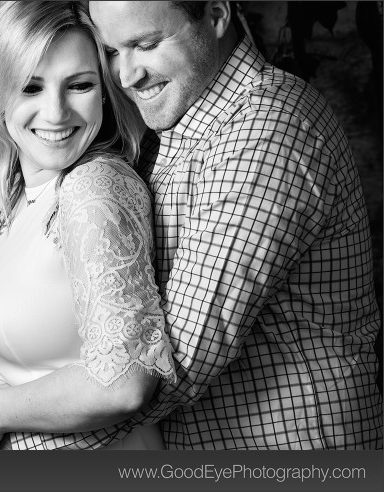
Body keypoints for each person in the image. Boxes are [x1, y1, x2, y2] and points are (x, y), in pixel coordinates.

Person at [47, 0, 382, 449]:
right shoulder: (170, 131)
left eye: (145, 44)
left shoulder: (268, 127)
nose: (127, 75)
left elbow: (170, 368)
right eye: (111, 51)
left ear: (217, 14)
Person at [0, 1, 177, 450]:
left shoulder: (92, 186)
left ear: (106, 92)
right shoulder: (17, 202)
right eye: (31, 87)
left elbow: (126, 381)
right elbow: (25, 355)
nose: (55, 113)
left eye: (79, 85)